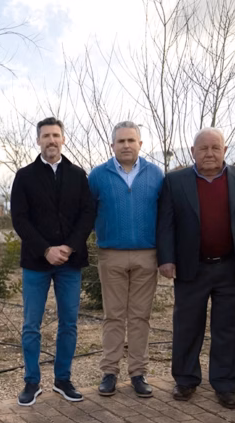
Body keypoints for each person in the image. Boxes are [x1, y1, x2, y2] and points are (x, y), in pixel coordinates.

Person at [157, 127, 235, 409]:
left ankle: (227, 385)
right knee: (187, 327)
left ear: (225, 151)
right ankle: (185, 380)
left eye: (215, 147)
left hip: (233, 267)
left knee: (229, 330)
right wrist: (166, 258)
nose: (209, 153)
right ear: (192, 152)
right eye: (203, 148)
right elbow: (166, 224)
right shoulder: (175, 181)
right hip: (191, 268)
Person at [10, 117, 95, 405]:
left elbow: (87, 215)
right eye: (46, 136)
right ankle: (31, 382)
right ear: (38, 140)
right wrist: (46, 250)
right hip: (36, 263)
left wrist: (68, 247)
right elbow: (19, 219)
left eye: (56, 135)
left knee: (68, 323)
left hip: (70, 263)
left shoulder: (78, 175)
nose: (51, 140)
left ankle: (63, 379)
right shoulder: (25, 176)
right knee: (31, 325)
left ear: (63, 139)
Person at [89, 121, 164, 397]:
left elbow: (165, 215)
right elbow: (87, 212)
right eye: (121, 141)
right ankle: (109, 371)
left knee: (140, 316)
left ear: (140, 144)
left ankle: (138, 373)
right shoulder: (98, 175)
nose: (126, 145)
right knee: (113, 316)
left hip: (147, 255)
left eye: (131, 140)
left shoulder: (155, 174)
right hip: (111, 255)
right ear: (112, 145)